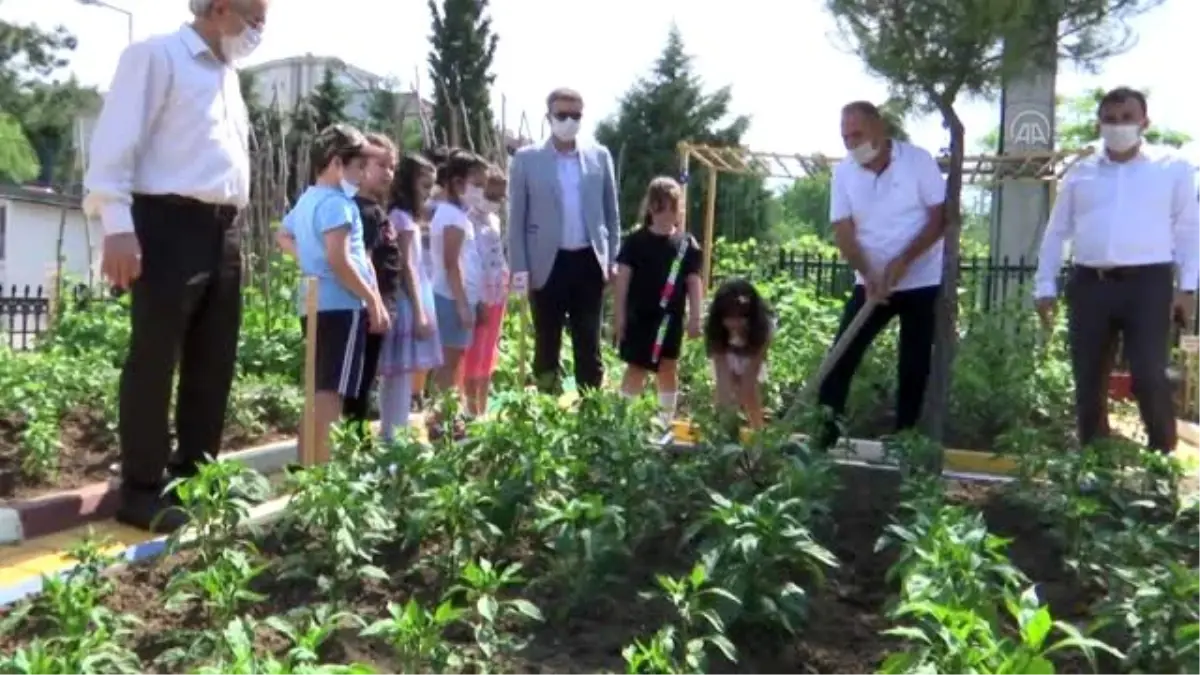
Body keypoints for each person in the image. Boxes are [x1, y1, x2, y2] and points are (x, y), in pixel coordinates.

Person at [83, 0, 269, 532]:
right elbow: (114, 145)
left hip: (221, 231)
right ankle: (141, 490)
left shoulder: (227, 76)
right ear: (218, 7)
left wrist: (229, 230)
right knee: (154, 359)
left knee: (214, 362)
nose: (259, 30)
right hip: (164, 224)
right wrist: (118, 226)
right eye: (253, 17)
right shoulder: (156, 55)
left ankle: (194, 480)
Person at [1033, 86, 1200, 453]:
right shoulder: (1080, 172)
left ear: (1145, 122)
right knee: (1088, 378)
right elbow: (1058, 230)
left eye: (1127, 118)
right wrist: (1044, 285)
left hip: (1148, 284)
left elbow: (1189, 229)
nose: (1118, 126)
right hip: (1090, 283)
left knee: (1149, 375)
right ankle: (1094, 462)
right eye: (1110, 119)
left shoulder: (1172, 169)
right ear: (1100, 123)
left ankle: (1162, 458)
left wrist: (1188, 288)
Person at [816, 100, 947, 450]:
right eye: (845, 137)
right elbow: (843, 230)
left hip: (922, 281)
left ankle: (906, 440)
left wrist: (904, 261)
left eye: (857, 134)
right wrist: (867, 272)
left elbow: (939, 218)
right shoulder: (843, 173)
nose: (851, 143)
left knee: (914, 364)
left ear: (879, 128)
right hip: (871, 283)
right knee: (840, 357)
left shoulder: (918, 161)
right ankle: (823, 438)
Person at [276, 124, 390, 464]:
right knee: (331, 391)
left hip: (313, 300)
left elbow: (283, 235)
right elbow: (339, 259)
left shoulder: (309, 199)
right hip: (340, 305)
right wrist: (371, 298)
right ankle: (322, 472)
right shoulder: (339, 204)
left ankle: (305, 465)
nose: (361, 175)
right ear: (337, 163)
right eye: (358, 167)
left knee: (315, 386)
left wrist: (310, 262)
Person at [508, 87, 621, 392]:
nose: (569, 121)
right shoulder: (527, 158)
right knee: (547, 341)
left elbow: (611, 213)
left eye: (576, 115)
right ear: (548, 117)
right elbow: (516, 217)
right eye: (562, 115)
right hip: (546, 263)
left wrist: (612, 259)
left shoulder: (600, 156)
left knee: (589, 342)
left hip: (588, 260)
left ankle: (591, 413)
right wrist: (519, 268)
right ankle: (545, 411)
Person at [612, 177, 703, 423]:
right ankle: (622, 425)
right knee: (636, 369)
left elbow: (694, 283)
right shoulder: (634, 242)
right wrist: (618, 317)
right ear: (651, 208)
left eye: (673, 208)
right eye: (661, 207)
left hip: (671, 321)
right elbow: (622, 282)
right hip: (639, 319)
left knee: (668, 368)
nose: (667, 214)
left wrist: (696, 317)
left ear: (679, 209)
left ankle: (664, 423)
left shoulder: (687, 244)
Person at [377, 153, 443, 439]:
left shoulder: (403, 217)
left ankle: (393, 435)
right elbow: (407, 266)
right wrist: (419, 311)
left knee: (399, 377)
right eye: (425, 186)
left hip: (410, 298)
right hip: (406, 301)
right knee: (398, 376)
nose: (428, 193)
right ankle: (393, 437)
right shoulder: (401, 219)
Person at [342, 132, 397, 427]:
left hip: (373, 304)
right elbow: (364, 261)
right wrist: (375, 304)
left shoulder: (373, 210)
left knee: (363, 381)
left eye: (392, 167)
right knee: (359, 383)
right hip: (367, 307)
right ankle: (356, 448)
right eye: (381, 166)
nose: (388, 173)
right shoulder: (363, 212)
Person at [430, 151, 490, 401]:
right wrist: (463, 305)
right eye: (476, 184)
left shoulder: (458, 216)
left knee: (454, 362)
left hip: (459, 299)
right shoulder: (451, 217)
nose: (480, 191)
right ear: (457, 183)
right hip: (451, 300)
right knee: (448, 363)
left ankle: (445, 418)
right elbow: (451, 264)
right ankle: (441, 419)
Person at [461, 165, 511, 417]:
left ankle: (483, 409)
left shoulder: (495, 220)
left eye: (500, 197)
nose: (496, 202)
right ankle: (469, 410)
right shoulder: (466, 220)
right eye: (492, 196)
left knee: (489, 351)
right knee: (473, 352)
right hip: (478, 296)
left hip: (497, 294)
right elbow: (469, 262)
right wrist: (476, 299)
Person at [704, 279, 774, 429]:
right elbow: (722, 376)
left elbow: (749, 378)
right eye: (729, 318)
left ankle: (757, 431)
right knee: (723, 394)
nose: (734, 324)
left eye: (740, 318)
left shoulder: (763, 329)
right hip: (728, 355)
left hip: (749, 357)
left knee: (750, 394)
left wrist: (741, 393)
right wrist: (725, 408)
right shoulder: (716, 330)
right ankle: (721, 431)